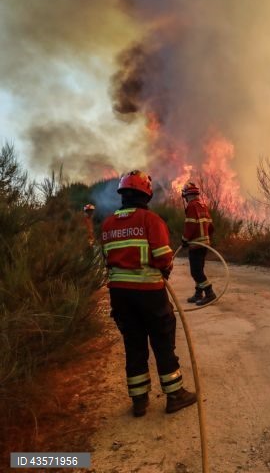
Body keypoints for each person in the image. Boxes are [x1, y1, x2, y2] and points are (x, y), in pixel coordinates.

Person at [101, 170, 197, 417]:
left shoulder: (108, 224)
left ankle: (139, 401)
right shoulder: (150, 220)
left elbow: (107, 259)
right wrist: (164, 271)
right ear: (146, 194)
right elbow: (164, 257)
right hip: (149, 294)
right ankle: (175, 395)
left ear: (123, 194)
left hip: (120, 296)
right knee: (162, 341)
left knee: (133, 345)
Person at [181, 181, 216, 306]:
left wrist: (184, 239)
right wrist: (207, 238)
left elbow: (190, 224)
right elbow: (211, 226)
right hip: (204, 244)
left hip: (196, 244)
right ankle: (198, 293)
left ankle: (209, 292)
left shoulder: (191, 206)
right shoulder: (203, 205)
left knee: (196, 272)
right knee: (199, 269)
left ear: (186, 196)